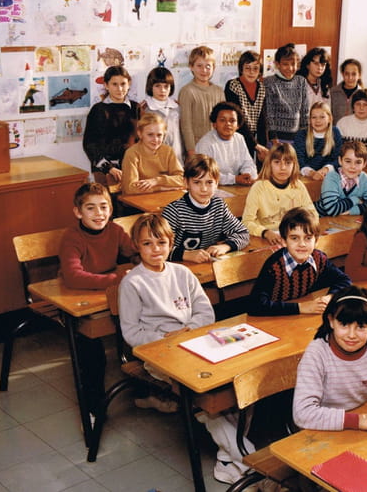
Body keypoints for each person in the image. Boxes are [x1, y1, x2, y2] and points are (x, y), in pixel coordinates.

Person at [118, 213, 251, 485]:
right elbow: (131, 333)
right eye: (147, 244)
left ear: (171, 243)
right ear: (137, 246)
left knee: (237, 383)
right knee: (203, 396)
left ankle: (228, 459)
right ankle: (251, 462)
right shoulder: (132, 283)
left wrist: (188, 329)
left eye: (161, 243)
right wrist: (165, 338)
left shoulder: (182, 273)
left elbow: (205, 312)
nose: (156, 250)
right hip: (159, 353)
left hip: (195, 342)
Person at [59, 183, 137, 416]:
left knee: (142, 335)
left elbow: (134, 252)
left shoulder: (115, 230)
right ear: (78, 212)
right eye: (90, 208)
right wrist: (116, 279)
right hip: (77, 300)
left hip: (106, 294)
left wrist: (139, 263)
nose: (99, 213)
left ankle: (145, 394)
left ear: (111, 210)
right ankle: (93, 410)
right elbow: (73, 276)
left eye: (103, 207)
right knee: (92, 354)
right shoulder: (72, 237)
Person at [292, 285, 367, 431]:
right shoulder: (316, 353)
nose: (351, 335)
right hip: (322, 427)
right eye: (344, 325)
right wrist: (360, 421)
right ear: (331, 321)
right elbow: (303, 413)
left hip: (362, 417)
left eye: (361, 327)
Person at [248, 207, 351, 316]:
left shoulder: (319, 258)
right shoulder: (274, 266)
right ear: (284, 241)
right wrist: (301, 307)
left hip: (298, 317)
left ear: (316, 241)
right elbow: (255, 305)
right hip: (272, 317)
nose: (302, 244)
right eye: (294, 238)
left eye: (308, 238)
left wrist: (329, 297)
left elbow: (344, 280)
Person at [162, 154, 250, 263]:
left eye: (209, 182)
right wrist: (186, 254)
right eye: (197, 182)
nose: (203, 189)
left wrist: (225, 246)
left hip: (206, 266)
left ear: (217, 183)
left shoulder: (219, 206)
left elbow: (243, 233)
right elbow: (159, 248)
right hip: (178, 266)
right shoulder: (174, 211)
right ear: (186, 183)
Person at [241, 142, 317, 247]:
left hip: (293, 235)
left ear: (294, 165)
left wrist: (298, 233)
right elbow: (246, 222)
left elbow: (313, 215)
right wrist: (265, 232)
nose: (283, 167)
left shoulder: (298, 186)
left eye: (288, 163)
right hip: (266, 238)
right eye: (277, 162)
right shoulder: (258, 187)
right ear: (269, 164)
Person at [83, 66, 140, 185]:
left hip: (133, 167)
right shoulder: (98, 110)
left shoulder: (136, 108)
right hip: (106, 171)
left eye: (123, 84)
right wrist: (108, 168)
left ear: (129, 84)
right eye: (114, 84)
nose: (119, 89)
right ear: (106, 85)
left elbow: (142, 139)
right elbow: (90, 144)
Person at [177, 45, 225, 157]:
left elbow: (222, 121)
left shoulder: (219, 91)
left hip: (217, 146)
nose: (204, 70)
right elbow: (186, 125)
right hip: (196, 148)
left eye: (208, 66)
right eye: (199, 66)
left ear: (214, 68)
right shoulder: (187, 91)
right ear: (191, 67)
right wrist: (191, 151)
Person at [195, 101, 257, 185]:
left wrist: (248, 175)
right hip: (209, 187)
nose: (228, 124)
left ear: (238, 126)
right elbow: (205, 173)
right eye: (222, 120)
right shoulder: (205, 143)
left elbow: (248, 163)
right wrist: (234, 179)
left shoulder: (239, 138)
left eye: (232, 120)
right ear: (214, 124)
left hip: (234, 187)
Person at [121, 113, 184, 194]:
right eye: (150, 135)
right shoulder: (132, 153)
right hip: (139, 200)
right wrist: (161, 188)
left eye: (159, 135)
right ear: (140, 134)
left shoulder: (168, 151)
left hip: (166, 198)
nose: (155, 139)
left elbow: (183, 179)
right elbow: (130, 188)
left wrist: (156, 181)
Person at [314, 140, 367, 216]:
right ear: (340, 161)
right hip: (321, 219)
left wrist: (353, 211)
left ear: (364, 164)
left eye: (358, 162)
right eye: (348, 161)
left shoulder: (364, 178)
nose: (352, 166)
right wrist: (355, 199)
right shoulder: (331, 177)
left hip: (347, 220)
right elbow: (332, 210)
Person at [263, 43, 309, 145]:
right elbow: (269, 112)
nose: (290, 68)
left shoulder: (301, 81)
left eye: (293, 64)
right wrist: (273, 136)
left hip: (297, 137)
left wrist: (305, 134)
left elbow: (305, 111)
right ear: (277, 64)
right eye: (285, 64)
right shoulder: (269, 82)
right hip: (277, 138)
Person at [224, 51, 267, 153]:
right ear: (241, 69)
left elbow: (262, 120)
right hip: (236, 136)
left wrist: (262, 146)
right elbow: (238, 118)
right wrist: (255, 145)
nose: (251, 72)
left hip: (254, 139)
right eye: (247, 68)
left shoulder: (261, 88)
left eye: (255, 68)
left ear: (260, 70)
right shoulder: (233, 86)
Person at [141, 67, 182, 163]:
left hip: (177, 157)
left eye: (166, 86)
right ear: (150, 87)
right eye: (157, 86)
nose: (162, 90)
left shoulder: (177, 107)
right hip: (154, 160)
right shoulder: (145, 109)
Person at [294, 101, 342, 180]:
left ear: (329, 119)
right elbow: (298, 160)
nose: (318, 121)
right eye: (314, 117)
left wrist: (325, 170)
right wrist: (312, 173)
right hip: (305, 176)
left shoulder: (335, 132)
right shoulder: (301, 134)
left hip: (329, 175)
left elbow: (338, 158)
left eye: (322, 117)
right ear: (309, 120)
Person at [335, 89, 367, 158]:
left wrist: (365, 160)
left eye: (366, 105)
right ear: (353, 107)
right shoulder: (342, 123)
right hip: (346, 161)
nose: (361, 108)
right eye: (358, 104)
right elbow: (337, 150)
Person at [330, 58, 363, 124]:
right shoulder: (332, 92)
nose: (350, 78)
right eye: (347, 74)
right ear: (342, 74)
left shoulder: (363, 95)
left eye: (354, 74)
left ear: (359, 75)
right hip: (336, 129)